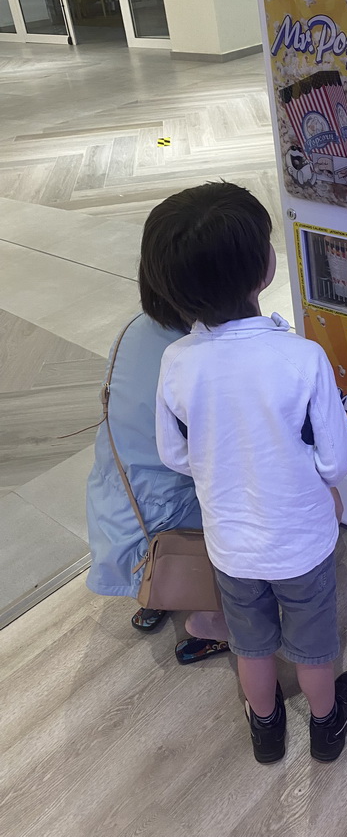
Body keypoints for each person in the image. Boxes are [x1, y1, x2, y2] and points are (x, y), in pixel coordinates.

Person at [142, 181, 347, 764]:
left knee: (252, 642)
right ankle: (326, 723)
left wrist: (221, 462)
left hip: (232, 547)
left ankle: (265, 730)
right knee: (314, 647)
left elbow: (174, 455)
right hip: (303, 543)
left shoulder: (176, 362)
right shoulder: (301, 357)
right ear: (264, 270)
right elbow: (335, 460)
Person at [85, 285, 230, 665]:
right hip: (170, 511)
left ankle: (158, 591)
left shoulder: (133, 329)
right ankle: (215, 620)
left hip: (120, 498)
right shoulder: (201, 356)